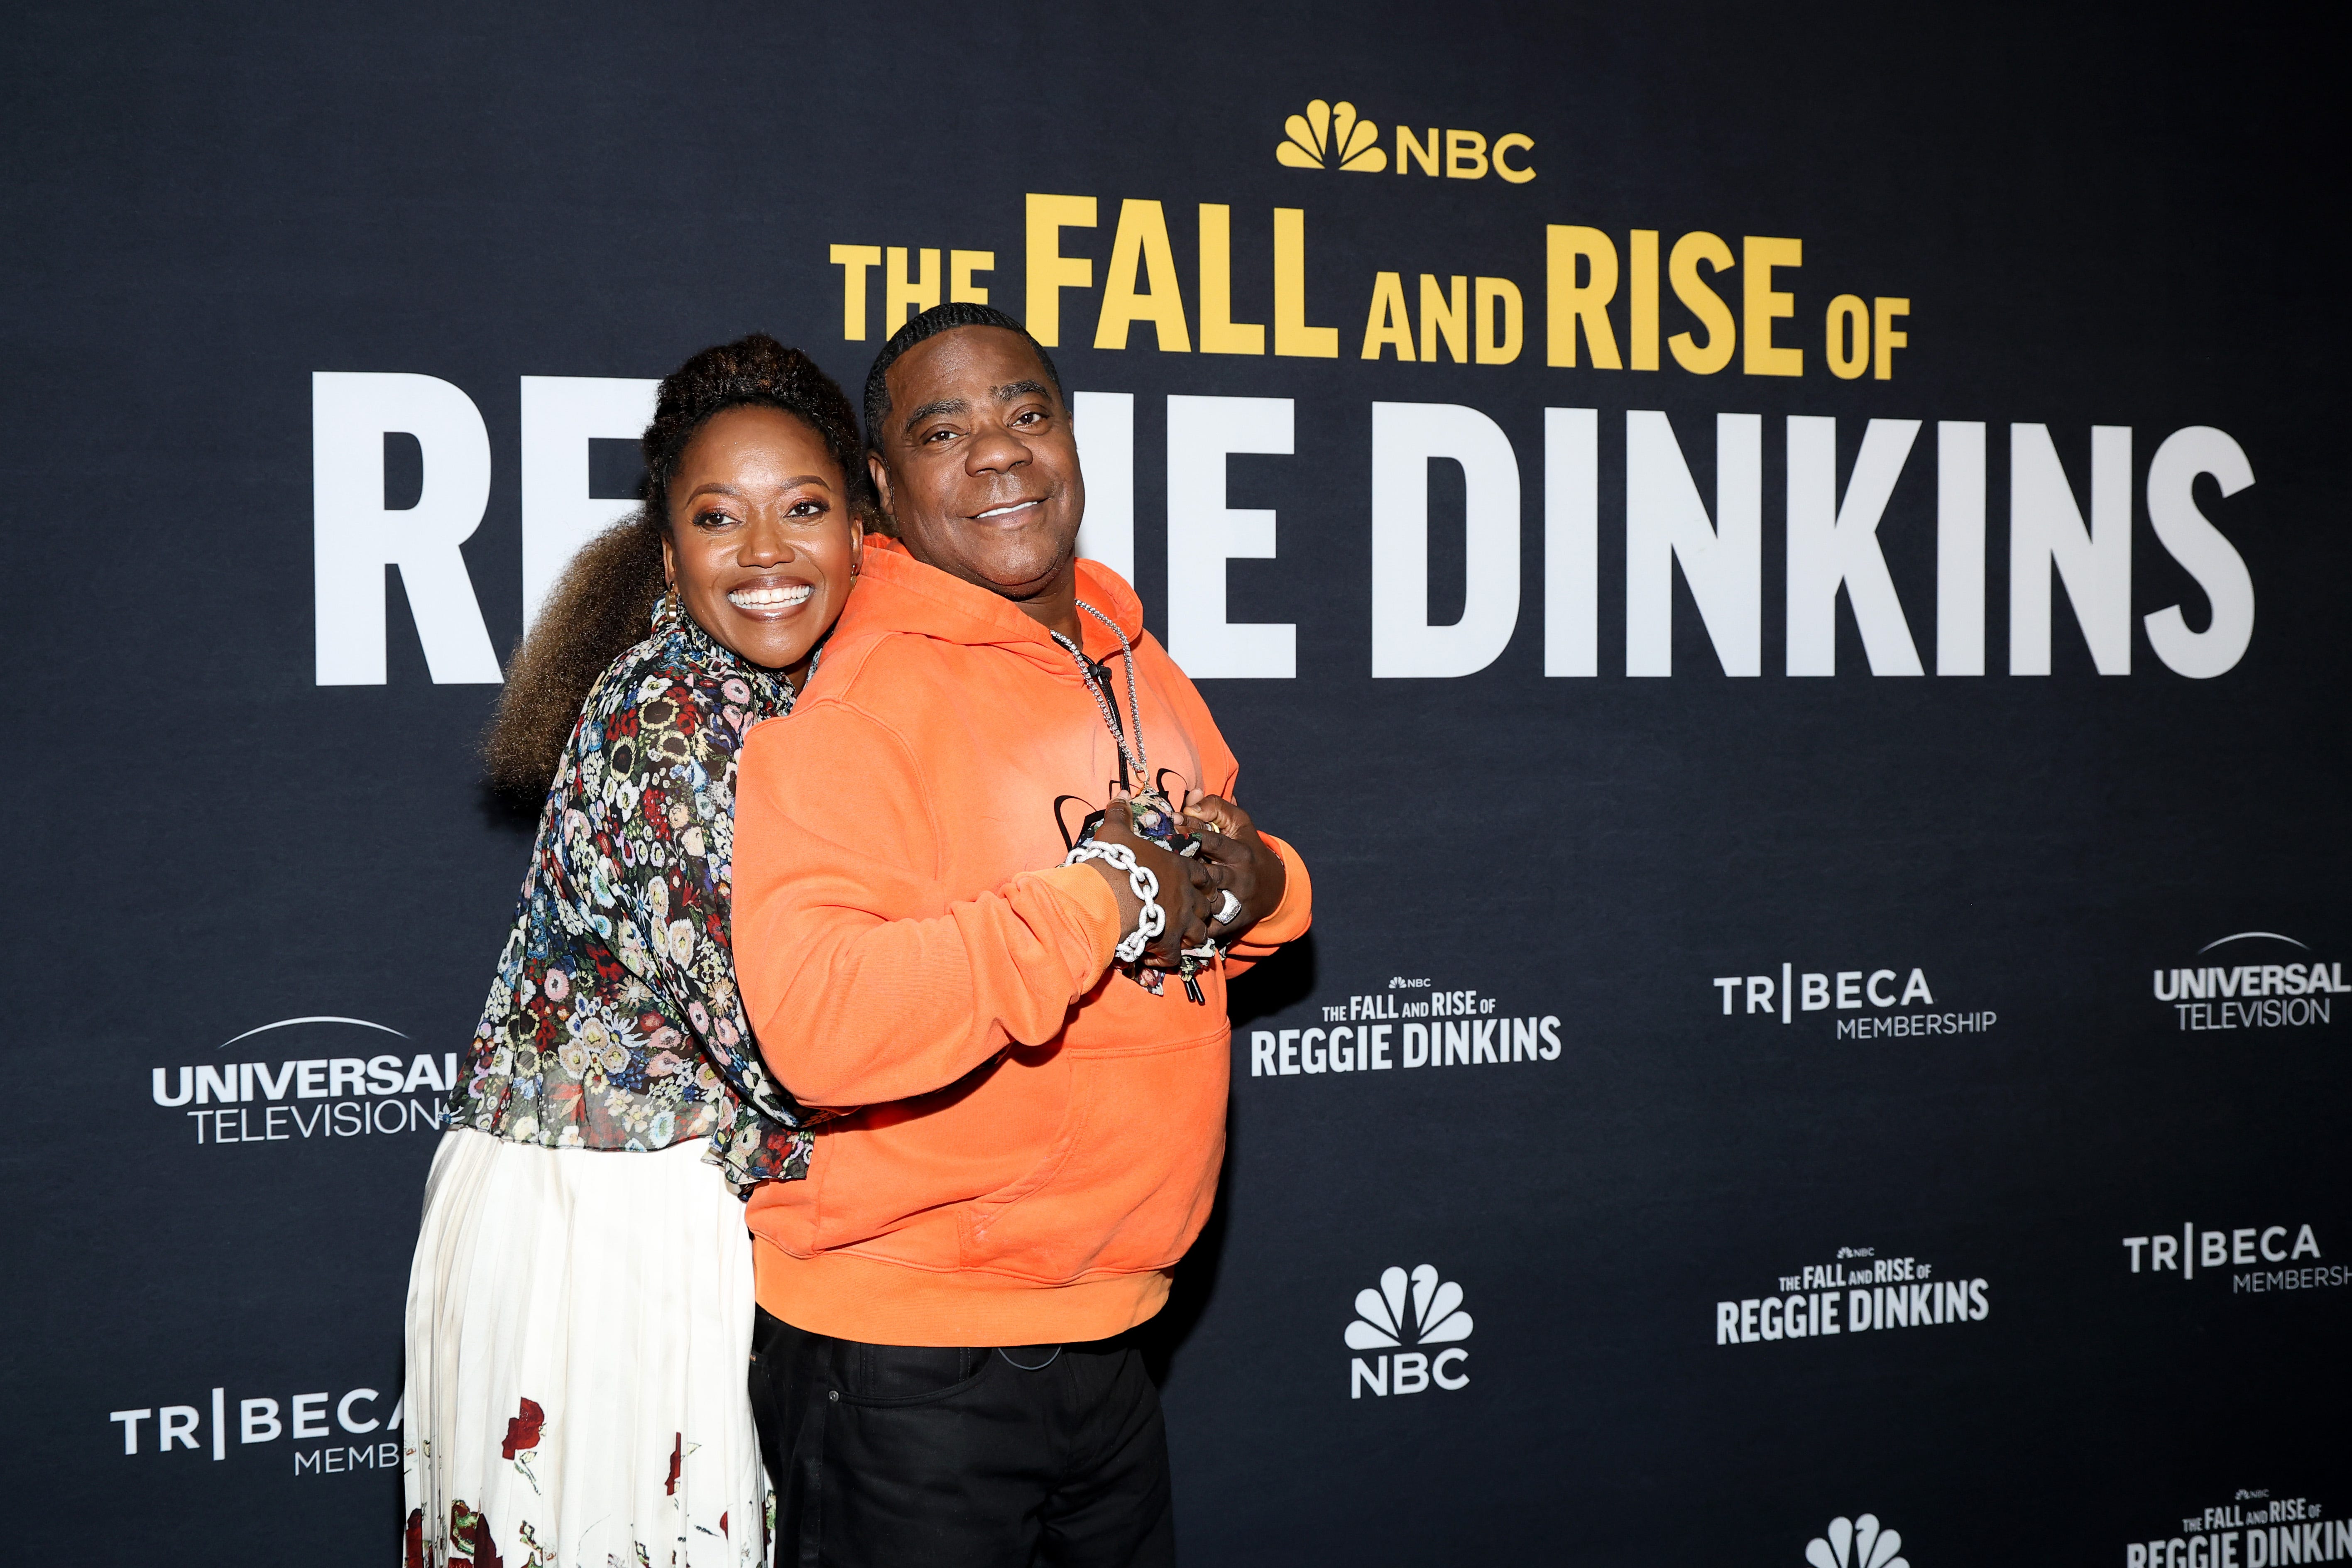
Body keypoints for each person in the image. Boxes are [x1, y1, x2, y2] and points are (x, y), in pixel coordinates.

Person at [731, 301, 1313, 1568]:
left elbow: (1206, 910)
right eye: (944, 431)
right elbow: (827, 1022)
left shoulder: (1130, 658)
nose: (998, 452)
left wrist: (1263, 888)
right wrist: (1097, 895)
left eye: (1026, 413)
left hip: (1107, 1334)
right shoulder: (858, 699)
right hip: (911, 1364)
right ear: (882, 487)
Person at [402, 335, 866, 1568]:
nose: (765, 553)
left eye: (804, 508)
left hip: (673, 1209)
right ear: (669, 552)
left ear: (864, 526)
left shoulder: (794, 697)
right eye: (720, 517)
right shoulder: (669, 715)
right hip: (604, 1229)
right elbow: (794, 1040)